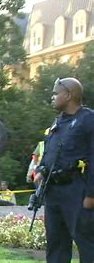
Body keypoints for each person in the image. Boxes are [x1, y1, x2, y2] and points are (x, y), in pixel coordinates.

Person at [33, 77, 94, 262]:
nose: (52, 97)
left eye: (55, 93)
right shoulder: (58, 122)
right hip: (53, 190)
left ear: (68, 95)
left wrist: (91, 196)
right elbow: (50, 151)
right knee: (56, 243)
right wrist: (42, 170)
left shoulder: (88, 120)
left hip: (76, 189)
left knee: (86, 242)